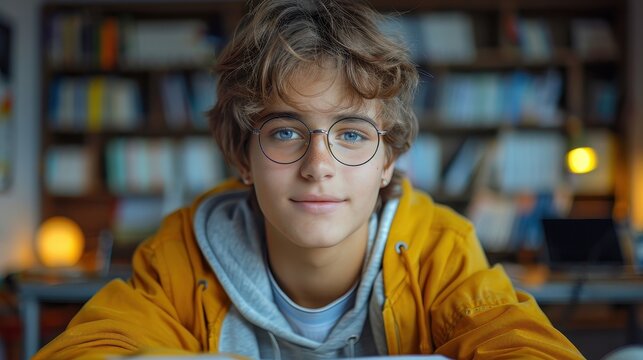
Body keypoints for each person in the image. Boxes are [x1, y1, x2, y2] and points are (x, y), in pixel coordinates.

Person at [35, 0, 584, 359]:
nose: (318, 165)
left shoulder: (438, 248)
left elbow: (524, 345)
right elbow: (88, 349)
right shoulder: (183, 253)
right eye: (284, 133)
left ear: (388, 160)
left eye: (350, 134)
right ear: (243, 157)